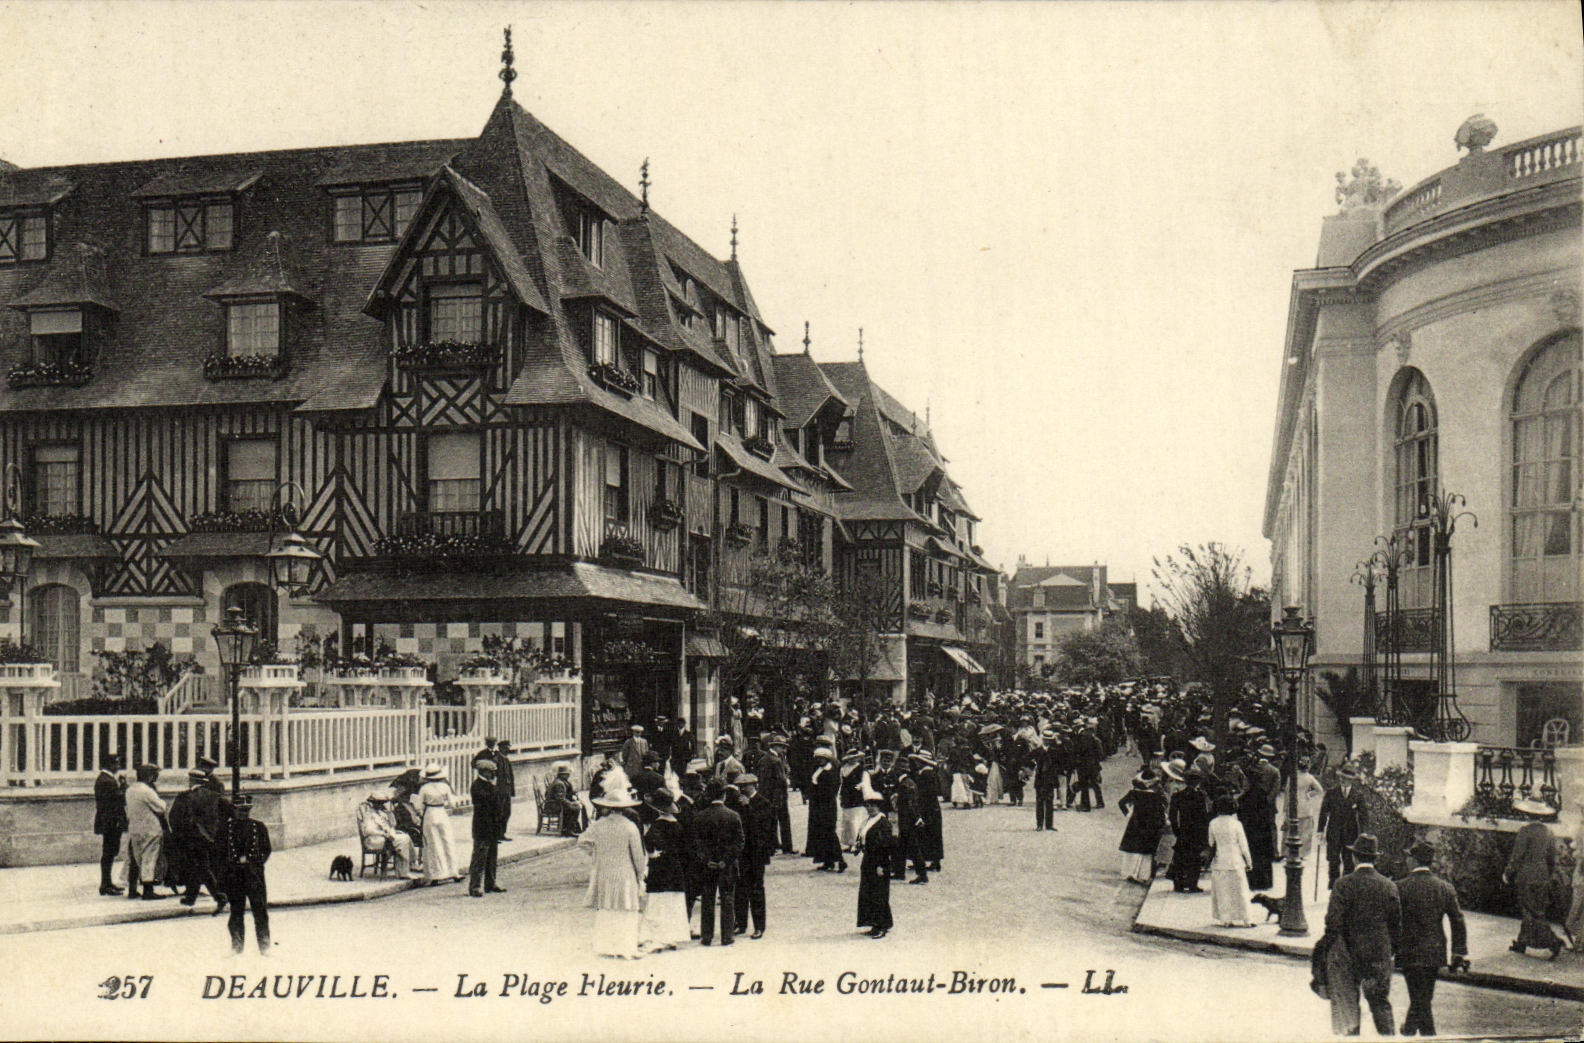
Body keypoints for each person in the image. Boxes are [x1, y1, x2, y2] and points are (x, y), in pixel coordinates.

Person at [1322, 834, 1400, 1038]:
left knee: (1348, 1008)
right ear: (1375, 859)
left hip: (1348, 954)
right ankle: (1389, 1038)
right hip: (1378, 954)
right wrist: (1390, 952)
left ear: (1355, 857)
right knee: (1380, 1004)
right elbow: (1396, 926)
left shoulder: (1343, 884)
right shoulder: (1389, 886)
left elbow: (1332, 923)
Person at [1396, 839, 1468, 1037]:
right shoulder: (1445, 888)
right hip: (1434, 953)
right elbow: (1458, 920)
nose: (1407, 860)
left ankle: (1427, 1036)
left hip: (1409, 952)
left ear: (1414, 861)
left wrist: (1389, 948)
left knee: (1420, 999)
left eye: (1409, 856)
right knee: (1423, 996)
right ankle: (1409, 1030)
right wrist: (1458, 952)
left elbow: (1391, 921)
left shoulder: (1400, 887)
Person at [579, 774, 647, 959]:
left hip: (604, 871)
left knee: (606, 909)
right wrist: (641, 875)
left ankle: (606, 946)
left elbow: (582, 841)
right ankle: (626, 947)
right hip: (625, 873)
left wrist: (596, 853)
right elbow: (638, 856)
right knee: (625, 910)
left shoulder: (598, 825)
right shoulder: (630, 827)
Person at [1504, 798, 1566, 959]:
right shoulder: (1548, 832)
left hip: (1526, 876)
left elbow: (1517, 856)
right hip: (1542, 875)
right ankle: (1522, 942)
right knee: (1536, 908)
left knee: (1530, 911)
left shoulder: (1525, 831)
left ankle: (1553, 941)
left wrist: (1508, 872)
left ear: (1526, 814)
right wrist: (1549, 874)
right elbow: (1552, 858)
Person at [218, 795, 272, 955]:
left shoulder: (259, 827)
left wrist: (256, 864)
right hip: (234, 876)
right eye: (240, 811)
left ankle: (265, 946)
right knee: (236, 912)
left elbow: (266, 849)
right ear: (234, 810)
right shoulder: (225, 830)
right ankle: (236, 946)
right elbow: (219, 854)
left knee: (260, 910)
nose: (243, 814)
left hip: (254, 876)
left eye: (246, 811)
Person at [692, 780, 743, 946]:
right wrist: (725, 860)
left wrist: (707, 860)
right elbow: (739, 842)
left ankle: (707, 936)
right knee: (728, 898)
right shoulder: (733, 815)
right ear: (724, 795)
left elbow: (696, 843)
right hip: (726, 866)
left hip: (707, 866)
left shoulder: (700, 817)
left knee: (707, 899)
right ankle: (727, 936)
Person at [170, 768, 226, 910]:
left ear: (191, 781)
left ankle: (218, 896)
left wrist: (178, 834)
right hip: (207, 838)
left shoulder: (184, 797)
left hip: (189, 838)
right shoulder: (214, 796)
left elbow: (173, 817)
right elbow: (228, 810)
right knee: (198, 867)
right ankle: (191, 898)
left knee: (200, 867)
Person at [736, 773, 775, 939]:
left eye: (744, 786)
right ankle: (741, 924)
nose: (741, 790)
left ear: (753, 785)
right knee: (740, 889)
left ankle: (759, 926)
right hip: (742, 853)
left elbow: (763, 827)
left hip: (757, 853)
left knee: (756, 890)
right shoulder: (739, 803)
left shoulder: (763, 803)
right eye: (740, 787)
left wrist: (748, 807)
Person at [1318, 763, 1368, 889]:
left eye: (1347, 779)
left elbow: (1363, 815)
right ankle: (1333, 885)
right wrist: (1320, 830)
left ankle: (1347, 886)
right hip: (1334, 831)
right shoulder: (1331, 793)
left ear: (1352, 780)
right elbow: (1324, 811)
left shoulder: (1358, 795)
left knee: (1348, 861)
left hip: (1350, 833)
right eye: (1342, 778)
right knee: (1333, 859)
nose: (1344, 781)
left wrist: (1364, 832)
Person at [1207, 795, 1254, 927]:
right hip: (1235, 860)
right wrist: (1249, 862)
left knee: (1223, 892)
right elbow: (1244, 846)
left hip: (1219, 861)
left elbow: (1211, 843)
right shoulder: (1236, 824)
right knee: (1241, 891)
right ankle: (1246, 919)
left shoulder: (1213, 823)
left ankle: (1226, 920)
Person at [124, 764, 169, 901]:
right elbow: (161, 808)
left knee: (138, 859)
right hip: (150, 829)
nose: (156, 777)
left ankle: (135, 889)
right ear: (149, 775)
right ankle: (148, 890)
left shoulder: (130, 790)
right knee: (149, 859)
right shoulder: (147, 791)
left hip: (135, 828)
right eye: (155, 774)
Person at [855, 785, 894, 939]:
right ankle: (875, 923)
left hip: (879, 861)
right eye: (868, 806)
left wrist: (881, 865)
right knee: (868, 893)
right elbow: (863, 837)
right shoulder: (868, 821)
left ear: (879, 806)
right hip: (868, 860)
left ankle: (882, 926)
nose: (870, 808)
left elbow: (885, 846)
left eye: (873, 805)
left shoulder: (883, 823)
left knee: (879, 894)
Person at [1117, 770, 1167, 885]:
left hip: (1135, 823)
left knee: (1131, 848)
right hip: (1149, 825)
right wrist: (1161, 823)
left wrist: (1128, 814)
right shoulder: (1155, 796)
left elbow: (1121, 803)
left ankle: (1128, 872)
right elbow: (1160, 811)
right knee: (1145, 851)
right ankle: (1142, 875)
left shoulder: (1135, 793)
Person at [357, 788, 419, 878]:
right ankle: (403, 872)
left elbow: (391, 825)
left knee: (405, 836)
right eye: (379, 803)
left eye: (382, 803)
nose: (382, 805)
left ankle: (409, 864)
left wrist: (390, 818)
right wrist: (383, 833)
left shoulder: (381, 813)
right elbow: (369, 830)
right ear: (374, 803)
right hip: (374, 839)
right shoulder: (369, 814)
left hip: (384, 837)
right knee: (403, 840)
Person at [467, 758, 506, 897]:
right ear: (484, 772)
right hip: (482, 826)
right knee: (480, 857)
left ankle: (490, 883)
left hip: (492, 826)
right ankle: (475, 886)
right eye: (491, 772)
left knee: (492, 856)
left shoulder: (489, 785)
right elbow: (489, 802)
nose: (493, 775)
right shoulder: (477, 786)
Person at [1169, 768, 1211, 893]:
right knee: (1194, 859)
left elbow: (1172, 816)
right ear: (1197, 781)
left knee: (1181, 857)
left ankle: (1179, 884)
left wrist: (1176, 830)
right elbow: (1205, 816)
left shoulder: (1177, 796)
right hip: (1197, 831)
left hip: (1183, 830)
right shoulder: (1201, 796)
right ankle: (1192, 884)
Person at [417, 763, 459, 885]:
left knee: (432, 843)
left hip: (430, 813)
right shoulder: (445, 787)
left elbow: (419, 806)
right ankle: (453, 872)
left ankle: (435, 875)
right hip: (441, 812)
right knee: (447, 841)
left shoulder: (424, 788)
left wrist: (420, 813)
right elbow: (452, 804)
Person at [804, 746, 845, 872]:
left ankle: (840, 860)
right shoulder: (818, 770)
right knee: (821, 833)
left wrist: (816, 789)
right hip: (817, 806)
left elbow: (830, 790)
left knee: (829, 833)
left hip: (827, 806)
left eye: (823, 758)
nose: (820, 760)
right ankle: (828, 861)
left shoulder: (831, 772)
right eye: (818, 758)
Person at [93, 753, 128, 896]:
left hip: (109, 821)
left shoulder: (106, 779)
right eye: (117, 763)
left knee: (110, 852)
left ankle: (107, 883)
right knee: (109, 853)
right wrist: (124, 785)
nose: (118, 766)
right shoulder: (107, 781)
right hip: (111, 821)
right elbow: (119, 799)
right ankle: (105, 884)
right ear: (110, 765)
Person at [760, 735, 795, 855]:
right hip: (778, 795)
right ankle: (787, 847)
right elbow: (781, 780)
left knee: (770, 821)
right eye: (782, 747)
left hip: (767, 794)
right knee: (783, 820)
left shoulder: (764, 758)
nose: (784, 750)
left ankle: (771, 846)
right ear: (776, 747)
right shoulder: (776, 761)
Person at [912, 752, 944, 873]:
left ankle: (934, 861)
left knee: (930, 834)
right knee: (932, 834)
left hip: (929, 808)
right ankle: (933, 860)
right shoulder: (927, 772)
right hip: (931, 808)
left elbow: (928, 793)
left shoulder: (927, 774)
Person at [837, 749, 870, 851]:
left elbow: (866, 782)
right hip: (847, 796)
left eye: (854, 758)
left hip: (857, 797)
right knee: (847, 822)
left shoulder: (862, 770)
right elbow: (841, 782)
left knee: (856, 821)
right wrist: (840, 793)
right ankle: (850, 843)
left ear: (858, 758)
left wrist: (861, 786)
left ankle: (858, 843)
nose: (852, 760)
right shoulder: (844, 769)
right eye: (850, 758)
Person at [545, 761, 583, 836]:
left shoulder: (561, 781)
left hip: (554, 804)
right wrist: (572, 803)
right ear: (563, 775)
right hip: (553, 806)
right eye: (567, 774)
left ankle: (573, 827)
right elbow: (561, 799)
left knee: (575, 806)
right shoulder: (559, 783)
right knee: (575, 808)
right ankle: (569, 830)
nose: (569, 776)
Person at [1032, 731, 1058, 832]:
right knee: (1039, 802)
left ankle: (1049, 825)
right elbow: (1027, 759)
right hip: (1040, 779)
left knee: (1049, 802)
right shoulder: (1037, 751)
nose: (1047, 741)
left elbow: (1061, 762)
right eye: (1046, 739)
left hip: (1051, 779)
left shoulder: (1055, 751)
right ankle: (1039, 824)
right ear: (1043, 740)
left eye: (1049, 740)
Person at [493, 740, 516, 842]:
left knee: (507, 812)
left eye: (509, 748)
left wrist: (511, 790)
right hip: (499, 790)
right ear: (501, 748)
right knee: (498, 812)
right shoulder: (496, 759)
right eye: (506, 747)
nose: (508, 749)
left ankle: (502, 833)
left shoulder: (506, 760)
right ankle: (495, 835)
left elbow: (510, 776)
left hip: (506, 790)